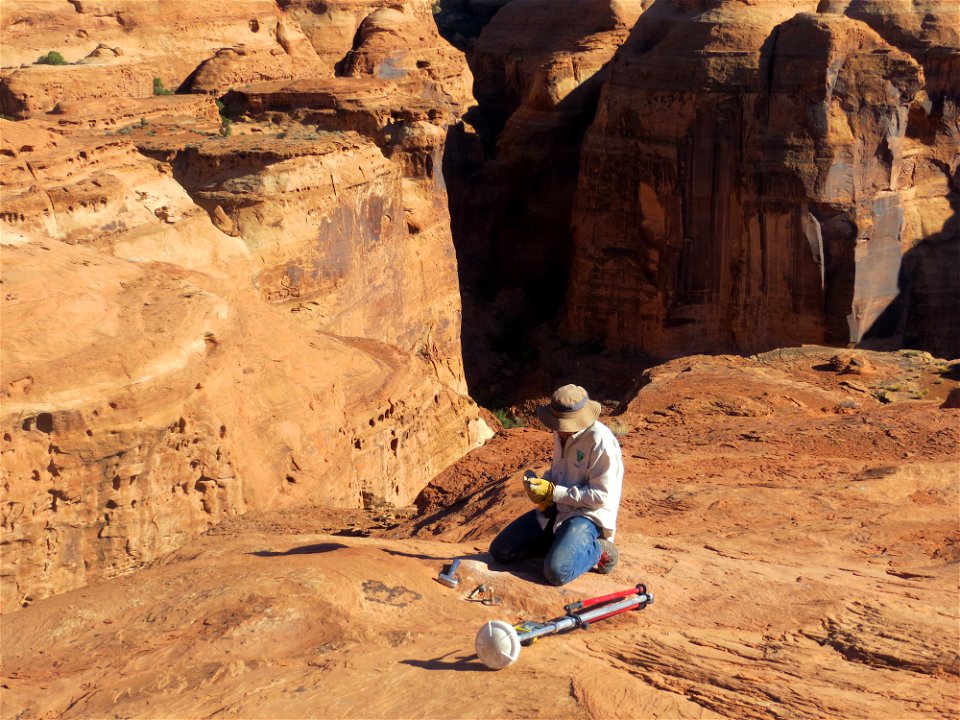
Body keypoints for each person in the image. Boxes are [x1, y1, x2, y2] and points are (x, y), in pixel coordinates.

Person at [489, 384, 624, 585]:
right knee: (501, 551)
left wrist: (554, 492)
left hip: (586, 515)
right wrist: (543, 486)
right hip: (557, 509)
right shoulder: (561, 432)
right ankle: (560, 544)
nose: (559, 428)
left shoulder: (600, 442)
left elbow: (601, 496)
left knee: (557, 571)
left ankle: (598, 549)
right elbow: (559, 471)